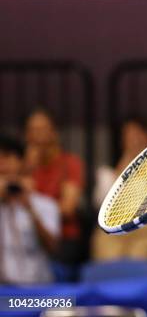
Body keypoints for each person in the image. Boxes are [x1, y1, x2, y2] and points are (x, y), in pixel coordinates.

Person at [91, 116, 147, 261]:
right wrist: (126, 167)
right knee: (109, 258)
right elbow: (100, 204)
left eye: (139, 134)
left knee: (138, 256)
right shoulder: (106, 173)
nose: (134, 140)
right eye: (129, 135)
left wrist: (146, 169)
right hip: (112, 232)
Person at [23, 108, 85, 274]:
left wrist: (32, 207)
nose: (38, 136)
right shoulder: (22, 167)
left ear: (54, 133)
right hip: (24, 236)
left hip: (63, 237)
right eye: (33, 130)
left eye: (43, 129)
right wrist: (27, 169)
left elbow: (67, 209)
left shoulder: (69, 164)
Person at [0, 134, 60, 285]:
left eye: (6, 157)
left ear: (21, 163)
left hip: (35, 292)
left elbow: (53, 248)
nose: (1, 164)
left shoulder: (45, 204)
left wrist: (29, 208)